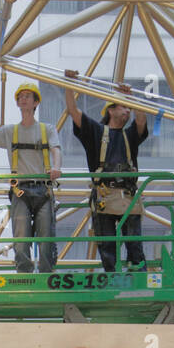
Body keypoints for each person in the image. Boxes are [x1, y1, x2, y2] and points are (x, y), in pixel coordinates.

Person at [63, 68, 148, 271]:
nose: (127, 111)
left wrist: (132, 97)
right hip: (104, 195)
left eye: (129, 108)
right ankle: (114, 278)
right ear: (110, 110)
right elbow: (73, 111)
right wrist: (69, 84)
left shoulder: (130, 136)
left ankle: (139, 275)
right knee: (107, 245)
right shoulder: (96, 132)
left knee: (134, 242)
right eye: (123, 107)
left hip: (127, 195)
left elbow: (141, 120)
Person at [0, 81, 61, 274]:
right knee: (21, 239)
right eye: (20, 97)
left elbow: (56, 149)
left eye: (27, 96)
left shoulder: (47, 129)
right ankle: (24, 274)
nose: (23, 99)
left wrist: (56, 168)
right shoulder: (10, 131)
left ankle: (46, 274)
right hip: (20, 189)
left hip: (43, 188)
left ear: (35, 102)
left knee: (46, 237)